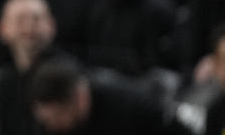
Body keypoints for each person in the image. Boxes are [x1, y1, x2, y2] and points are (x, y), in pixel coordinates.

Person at [30, 57, 191, 135]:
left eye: (57, 117)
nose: (51, 126)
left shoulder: (131, 107)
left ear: (79, 97)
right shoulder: (53, 125)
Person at [0, 0, 59, 135]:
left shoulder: (63, 77)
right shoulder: (4, 82)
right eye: (20, 20)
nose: (29, 27)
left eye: (36, 19)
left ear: (52, 26)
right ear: (2, 29)